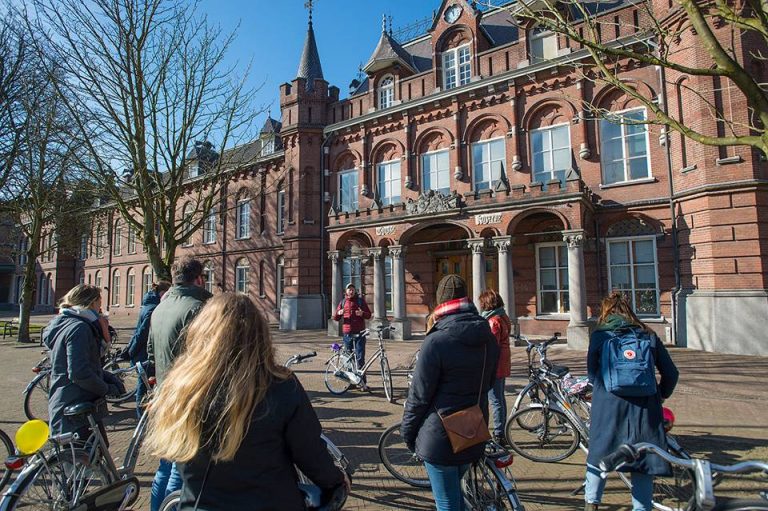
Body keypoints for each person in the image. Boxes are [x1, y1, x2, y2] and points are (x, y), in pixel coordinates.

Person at [145, 293, 348, 510]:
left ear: (201, 333)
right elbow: (310, 452)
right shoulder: (280, 385)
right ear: (260, 335)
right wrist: (336, 481)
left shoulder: (181, 385)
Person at [401, 275, 499, 511]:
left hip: (440, 438)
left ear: (440, 302)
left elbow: (419, 396)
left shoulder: (436, 341)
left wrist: (408, 433)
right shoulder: (488, 336)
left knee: (447, 503)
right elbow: (489, 383)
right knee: (456, 496)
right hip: (473, 431)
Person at [584, 291, 679, 511]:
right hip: (645, 409)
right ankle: (641, 507)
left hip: (608, 407)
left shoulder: (600, 336)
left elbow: (592, 374)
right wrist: (660, 395)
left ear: (606, 311)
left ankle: (592, 504)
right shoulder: (648, 335)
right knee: (643, 461)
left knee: (598, 456)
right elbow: (671, 373)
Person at [147, 258, 212, 511]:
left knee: (165, 464)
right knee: (181, 466)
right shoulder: (198, 308)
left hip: (164, 394)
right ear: (198, 278)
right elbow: (208, 356)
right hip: (189, 397)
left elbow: (151, 354)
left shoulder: (159, 309)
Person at [42, 285, 125, 438]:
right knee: (83, 455)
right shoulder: (79, 328)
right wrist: (107, 389)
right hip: (76, 405)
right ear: (92, 303)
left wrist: (107, 376)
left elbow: (79, 364)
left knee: (95, 451)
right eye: (100, 301)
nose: (101, 306)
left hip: (69, 400)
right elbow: (79, 373)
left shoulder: (65, 322)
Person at [125, 280, 171, 418]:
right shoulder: (153, 309)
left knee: (143, 385)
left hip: (141, 353)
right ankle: (142, 417)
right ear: (162, 293)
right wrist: (132, 351)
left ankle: (143, 415)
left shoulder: (147, 305)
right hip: (144, 354)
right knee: (144, 387)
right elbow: (143, 333)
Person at [478, 289, 512, 446]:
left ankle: (499, 434)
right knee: (499, 398)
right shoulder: (503, 316)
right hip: (503, 361)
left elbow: (491, 345)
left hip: (495, 364)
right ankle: (501, 431)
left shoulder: (494, 321)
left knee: (495, 400)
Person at [333, 283, 372, 391]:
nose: (351, 291)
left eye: (352, 289)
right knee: (348, 359)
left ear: (355, 291)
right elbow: (335, 318)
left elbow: (369, 315)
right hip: (347, 334)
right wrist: (338, 313)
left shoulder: (360, 301)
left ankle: (362, 382)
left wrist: (362, 313)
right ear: (346, 291)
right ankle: (351, 382)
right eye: (349, 289)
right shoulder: (343, 302)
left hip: (359, 333)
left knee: (360, 358)